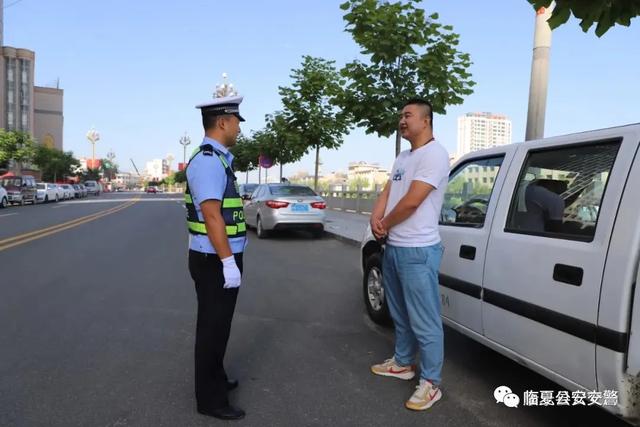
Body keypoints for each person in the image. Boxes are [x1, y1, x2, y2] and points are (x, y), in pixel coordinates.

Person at [369, 98, 450, 411]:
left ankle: (431, 382)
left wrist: (385, 223)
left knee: (425, 320)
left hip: (418, 249)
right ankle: (403, 363)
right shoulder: (403, 156)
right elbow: (389, 191)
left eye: (408, 115)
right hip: (395, 247)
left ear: (426, 121)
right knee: (400, 313)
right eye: (400, 115)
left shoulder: (435, 154)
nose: (402, 120)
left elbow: (414, 201)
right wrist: (375, 218)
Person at [184, 94, 247, 420]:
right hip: (215, 261)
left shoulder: (220, 158)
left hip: (218, 258)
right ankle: (210, 399)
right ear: (223, 122)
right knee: (212, 327)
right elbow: (211, 217)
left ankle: (217, 379)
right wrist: (227, 263)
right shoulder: (209, 160)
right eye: (236, 121)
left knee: (219, 326)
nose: (238, 128)